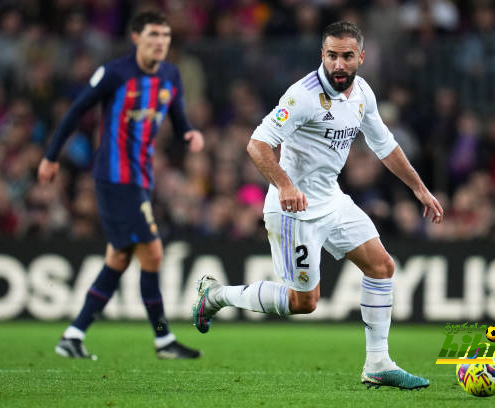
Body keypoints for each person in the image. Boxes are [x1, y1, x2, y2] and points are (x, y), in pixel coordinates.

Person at [192, 21, 443, 389]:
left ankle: (378, 363)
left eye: (346, 56)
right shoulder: (302, 96)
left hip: (332, 200)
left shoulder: (363, 94)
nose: (338, 64)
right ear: (322, 55)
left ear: (360, 56)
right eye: (331, 56)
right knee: (303, 302)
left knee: (381, 266)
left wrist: (419, 189)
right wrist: (285, 184)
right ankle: (215, 295)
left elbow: (384, 145)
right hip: (294, 209)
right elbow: (257, 145)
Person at [38, 11, 204, 360]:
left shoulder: (171, 75)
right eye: (154, 34)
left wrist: (188, 130)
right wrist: (51, 156)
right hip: (114, 178)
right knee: (153, 253)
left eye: (165, 36)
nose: (161, 42)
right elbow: (75, 111)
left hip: (142, 177)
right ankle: (163, 340)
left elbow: (175, 111)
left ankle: (73, 334)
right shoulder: (116, 73)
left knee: (118, 257)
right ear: (136, 37)